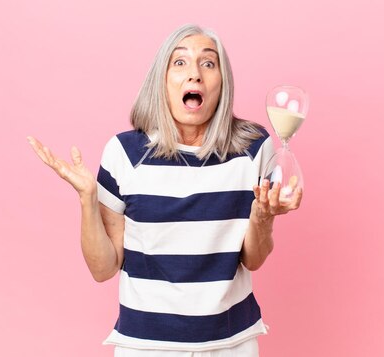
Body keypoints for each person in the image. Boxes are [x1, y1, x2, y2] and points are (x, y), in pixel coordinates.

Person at [27, 24, 302, 357]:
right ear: (162, 80)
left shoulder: (253, 149)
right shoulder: (124, 153)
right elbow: (103, 268)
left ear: (222, 83)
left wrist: (262, 216)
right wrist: (87, 200)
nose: (195, 74)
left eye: (209, 63)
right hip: (146, 346)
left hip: (232, 343)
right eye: (180, 62)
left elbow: (253, 259)